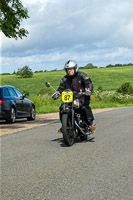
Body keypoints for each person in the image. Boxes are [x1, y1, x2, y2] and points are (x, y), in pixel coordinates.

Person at [52, 60, 96, 133]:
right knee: (62, 107)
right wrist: (57, 93)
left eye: (71, 69)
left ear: (75, 68)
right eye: (68, 69)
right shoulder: (65, 78)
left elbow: (88, 83)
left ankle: (89, 124)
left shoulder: (82, 75)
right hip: (70, 99)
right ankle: (64, 125)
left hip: (82, 97)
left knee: (84, 107)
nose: (69, 71)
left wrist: (88, 89)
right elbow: (61, 87)